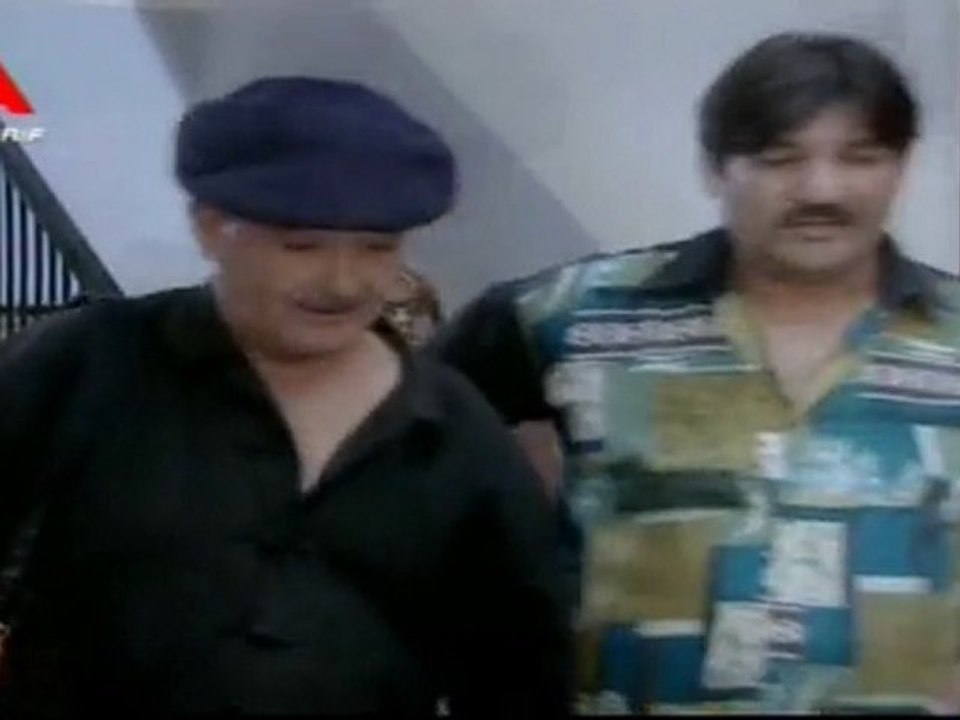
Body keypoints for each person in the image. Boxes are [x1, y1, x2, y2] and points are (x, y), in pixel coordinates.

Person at [0, 77, 572, 716]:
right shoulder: (88, 363)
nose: (343, 283)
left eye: (378, 248)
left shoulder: (454, 431)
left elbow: (522, 667)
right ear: (211, 229)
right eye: (302, 247)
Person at [432, 32, 960, 714]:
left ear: (901, 167)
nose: (821, 190)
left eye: (860, 158)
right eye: (779, 159)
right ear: (715, 169)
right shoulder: (571, 318)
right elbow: (388, 458)